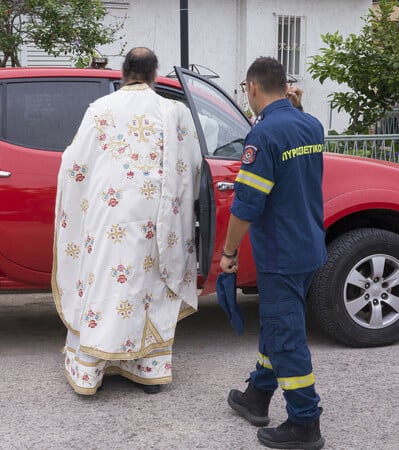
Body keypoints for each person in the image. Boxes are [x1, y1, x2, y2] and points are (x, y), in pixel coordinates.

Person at [51, 47, 201, 395]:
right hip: (159, 220)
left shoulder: (100, 109)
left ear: (124, 72)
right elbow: (192, 167)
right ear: (154, 73)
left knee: (107, 284)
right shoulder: (174, 111)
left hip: (110, 216)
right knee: (148, 289)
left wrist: (83, 202)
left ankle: (92, 372)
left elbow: (74, 163)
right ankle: (149, 371)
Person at [219, 57, 327, 449]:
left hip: (281, 254)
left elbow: (247, 204)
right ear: (285, 86)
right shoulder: (310, 124)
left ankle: (304, 422)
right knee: (277, 325)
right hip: (309, 246)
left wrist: (229, 253)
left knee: (286, 338)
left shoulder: (264, 135)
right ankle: (257, 396)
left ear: (251, 88)